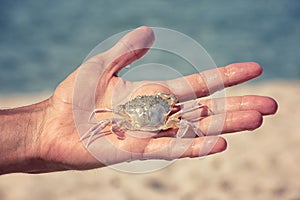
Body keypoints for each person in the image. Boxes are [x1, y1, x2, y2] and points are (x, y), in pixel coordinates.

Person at [0, 26, 277, 175]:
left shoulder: (130, 113)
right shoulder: (140, 113)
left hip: (141, 117)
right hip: (153, 119)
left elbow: (112, 114)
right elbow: (108, 114)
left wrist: (38, 129)